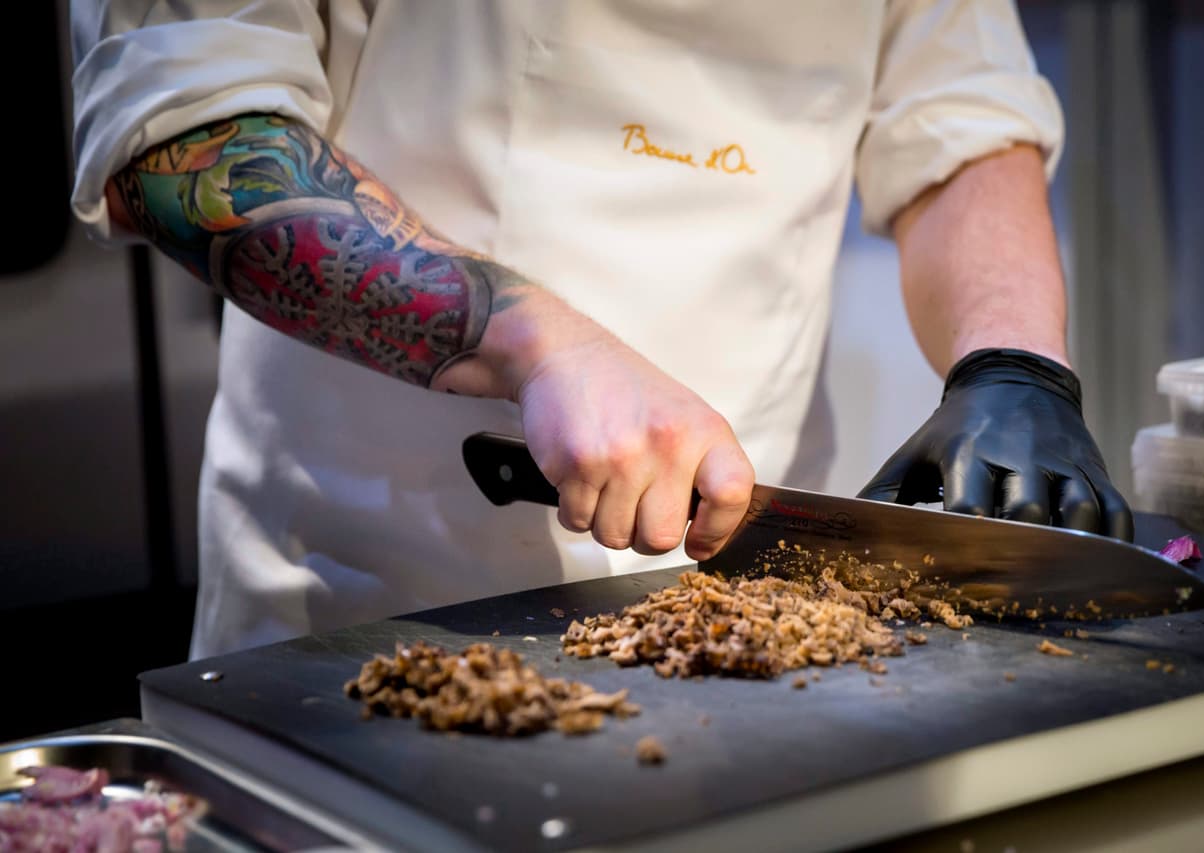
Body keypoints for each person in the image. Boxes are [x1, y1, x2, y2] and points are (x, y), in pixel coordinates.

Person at [71, 0, 1132, 659]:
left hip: (744, 617)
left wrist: (1010, 363)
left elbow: (960, 120)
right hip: (366, 607)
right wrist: (548, 348)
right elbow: (187, 139)